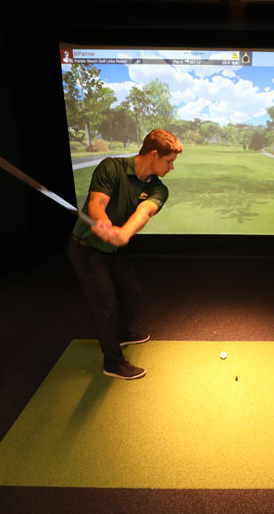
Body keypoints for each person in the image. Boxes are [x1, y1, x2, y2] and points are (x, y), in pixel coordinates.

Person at [68, 129, 182, 380]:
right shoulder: (111, 168)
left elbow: (144, 212)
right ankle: (113, 363)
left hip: (115, 248)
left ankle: (120, 335)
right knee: (105, 303)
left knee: (132, 292)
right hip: (86, 248)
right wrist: (103, 223)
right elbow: (97, 205)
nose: (172, 167)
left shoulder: (159, 189)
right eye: (169, 161)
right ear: (154, 154)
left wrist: (123, 233)